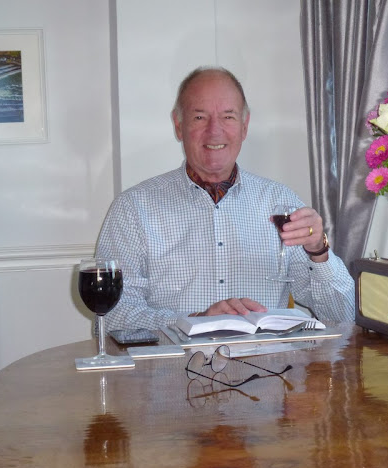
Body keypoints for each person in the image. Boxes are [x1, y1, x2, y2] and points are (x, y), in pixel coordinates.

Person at [96, 66, 355, 331]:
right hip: (177, 358)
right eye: (199, 117)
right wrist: (192, 322)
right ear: (178, 125)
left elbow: (343, 315)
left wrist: (318, 251)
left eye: (228, 117)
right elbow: (110, 318)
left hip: (267, 359)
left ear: (244, 126)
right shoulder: (133, 209)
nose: (214, 131)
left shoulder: (281, 202)